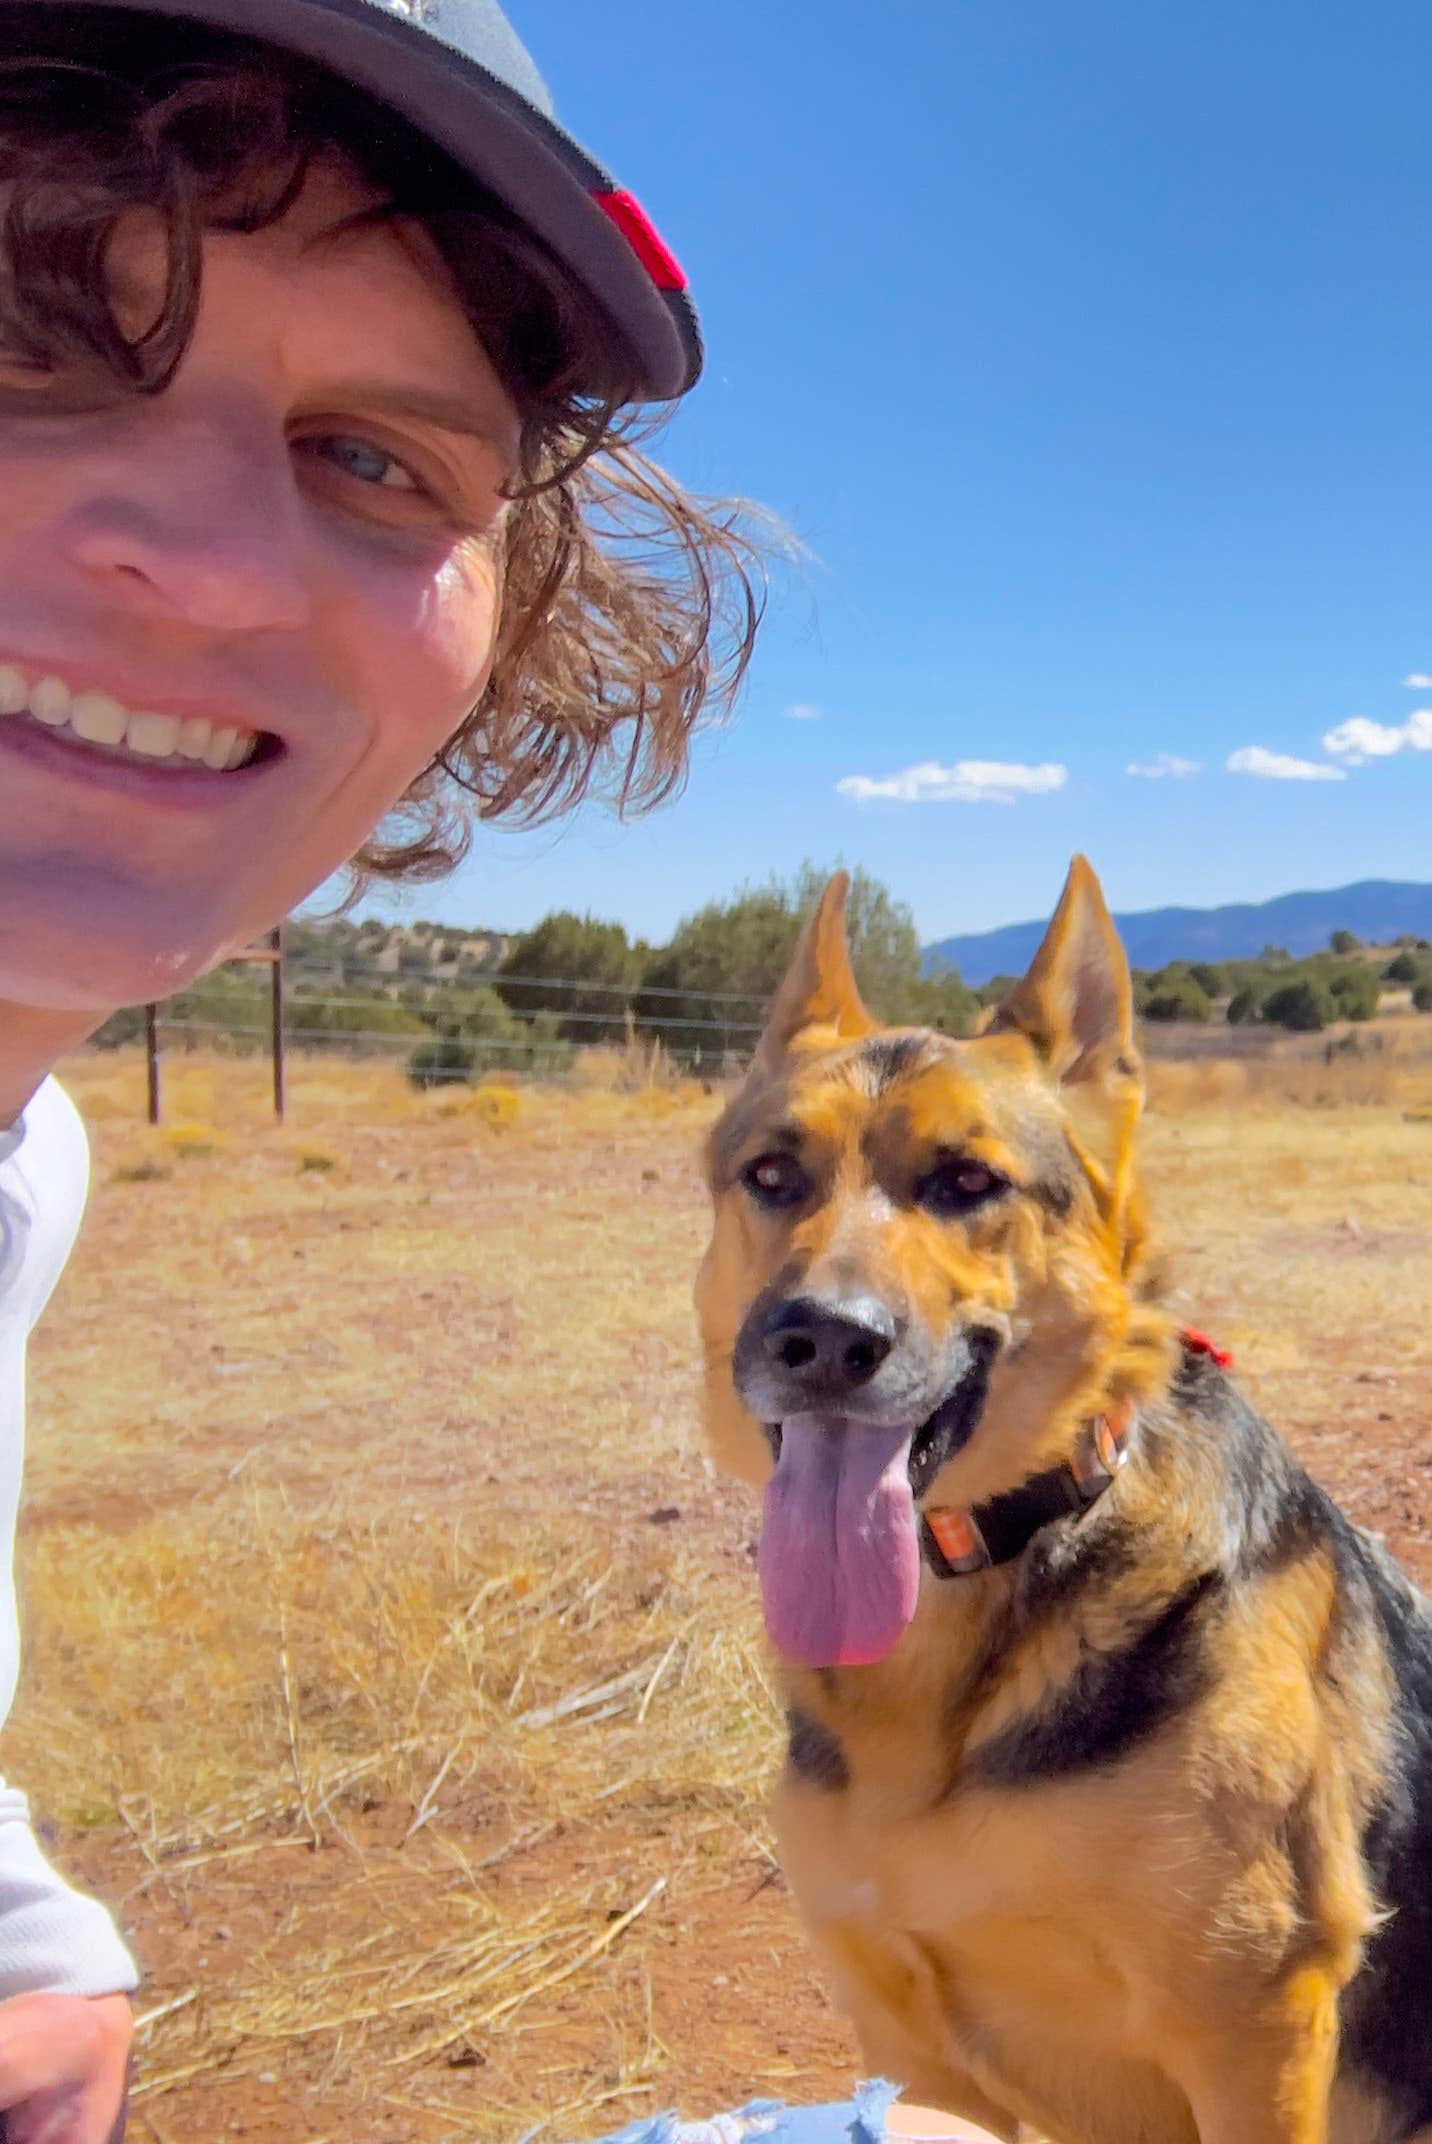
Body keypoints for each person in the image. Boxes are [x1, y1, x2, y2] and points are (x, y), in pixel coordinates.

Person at [0, 5, 975, 2137]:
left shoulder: (25, 1176)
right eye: (30, 334)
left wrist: (26, 1935)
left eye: (374, 459)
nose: (215, 555)